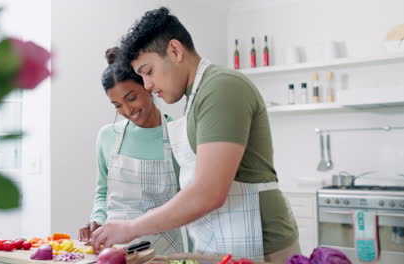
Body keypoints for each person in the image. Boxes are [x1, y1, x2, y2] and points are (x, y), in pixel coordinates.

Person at [90, 8, 301, 264]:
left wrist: (131, 227)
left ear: (175, 51)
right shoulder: (196, 96)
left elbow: (209, 192)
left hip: (261, 241)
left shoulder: (221, 87)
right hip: (222, 238)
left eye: (148, 71)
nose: (148, 85)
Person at [79, 47, 183, 255]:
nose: (127, 111)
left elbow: (188, 200)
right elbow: (102, 192)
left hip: (165, 252)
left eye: (131, 98)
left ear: (147, 85)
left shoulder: (180, 133)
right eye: (117, 105)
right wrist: (97, 219)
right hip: (115, 252)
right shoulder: (107, 136)